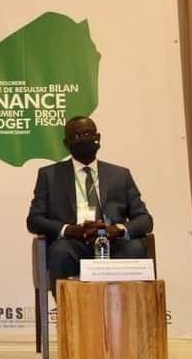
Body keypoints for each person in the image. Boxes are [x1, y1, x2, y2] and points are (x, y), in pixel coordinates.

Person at [26, 116, 153, 294]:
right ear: (66, 143)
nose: (84, 139)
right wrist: (69, 230)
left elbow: (145, 219)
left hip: (113, 243)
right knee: (60, 252)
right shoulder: (49, 175)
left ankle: (126, 308)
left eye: (88, 134)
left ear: (98, 138)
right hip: (73, 244)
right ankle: (69, 308)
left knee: (135, 248)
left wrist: (118, 229)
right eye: (77, 136)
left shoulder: (120, 175)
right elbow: (34, 220)